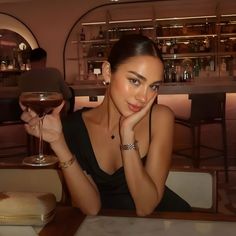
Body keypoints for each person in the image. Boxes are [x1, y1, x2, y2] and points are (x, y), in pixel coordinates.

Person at [21, 34, 191, 216]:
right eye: (135, 81)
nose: (144, 97)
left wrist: (127, 134)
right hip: (108, 227)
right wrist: (58, 143)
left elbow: (146, 206)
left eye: (154, 86)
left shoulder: (160, 118)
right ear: (108, 72)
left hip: (164, 223)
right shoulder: (74, 127)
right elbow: (91, 208)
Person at [18, 47, 72, 112]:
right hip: (54, 112)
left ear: (30, 60)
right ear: (44, 59)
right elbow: (68, 95)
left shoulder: (23, 77)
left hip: (32, 112)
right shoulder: (54, 73)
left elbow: (21, 98)